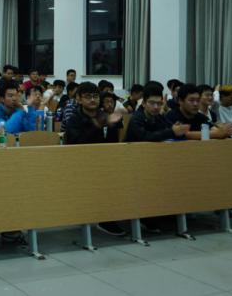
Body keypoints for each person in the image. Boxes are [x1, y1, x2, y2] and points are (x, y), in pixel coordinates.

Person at [64, 81, 124, 236]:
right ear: (79, 99)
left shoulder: (104, 116)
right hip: (79, 165)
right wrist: (98, 125)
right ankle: (103, 219)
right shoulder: (74, 119)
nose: (92, 100)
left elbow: (113, 144)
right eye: (88, 96)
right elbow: (77, 144)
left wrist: (113, 124)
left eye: (95, 96)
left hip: (104, 163)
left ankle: (110, 218)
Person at [166, 84, 232, 139]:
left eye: (197, 100)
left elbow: (215, 129)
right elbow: (183, 134)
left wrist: (224, 131)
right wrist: (217, 134)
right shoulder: (171, 116)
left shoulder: (200, 116)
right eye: (191, 100)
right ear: (180, 101)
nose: (195, 104)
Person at [124, 83, 189, 142]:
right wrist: (172, 132)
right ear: (143, 103)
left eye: (159, 103)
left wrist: (177, 129)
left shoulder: (159, 117)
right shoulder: (136, 118)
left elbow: (170, 129)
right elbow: (146, 137)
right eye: (152, 103)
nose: (156, 107)